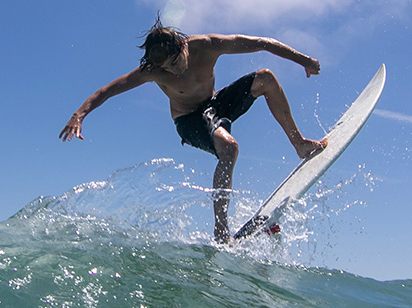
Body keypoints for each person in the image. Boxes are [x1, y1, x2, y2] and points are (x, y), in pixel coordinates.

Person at [59, 19, 328, 243]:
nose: (176, 69)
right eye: (168, 68)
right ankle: (221, 230)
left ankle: (300, 145)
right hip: (189, 121)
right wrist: (79, 114)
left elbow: (262, 43)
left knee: (266, 78)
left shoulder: (208, 46)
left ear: (183, 45)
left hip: (215, 105)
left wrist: (303, 60)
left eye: (177, 60)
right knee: (230, 148)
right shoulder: (152, 72)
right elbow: (107, 90)